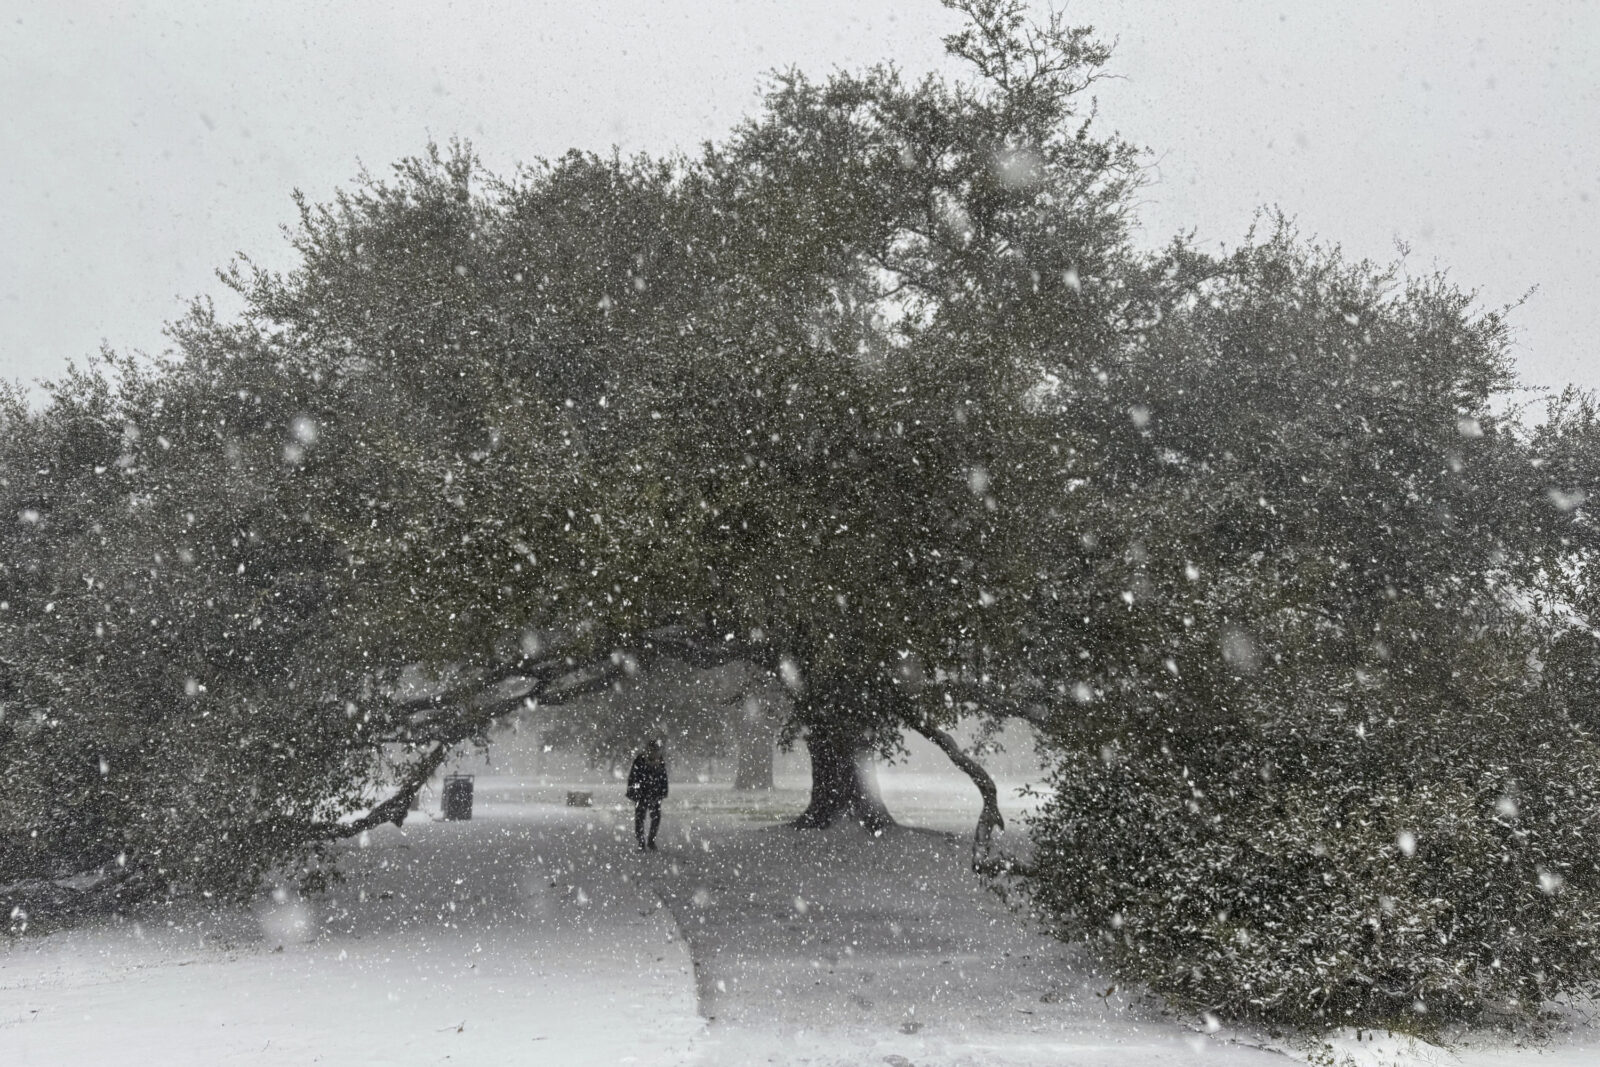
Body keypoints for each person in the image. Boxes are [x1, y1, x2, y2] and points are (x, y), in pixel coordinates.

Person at [626, 739, 669, 850]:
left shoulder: (659, 761)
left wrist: (663, 791)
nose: (653, 752)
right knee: (640, 818)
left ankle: (650, 840)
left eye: (655, 750)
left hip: (654, 794)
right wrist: (634, 790)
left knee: (655, 818)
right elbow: (633, 777)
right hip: (642, 794)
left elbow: (663, 778)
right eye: (652, 750)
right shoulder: (640, 760)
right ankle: (641, 841)